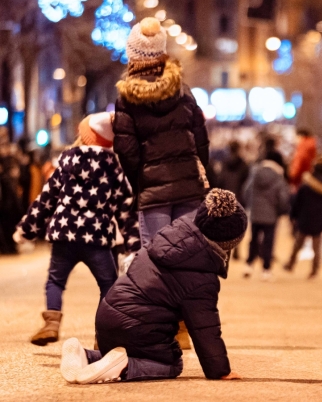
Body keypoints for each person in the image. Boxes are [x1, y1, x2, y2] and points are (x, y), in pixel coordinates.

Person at [58, 189, 247, 384]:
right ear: (229, 243)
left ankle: (85, 355)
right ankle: (125, 368)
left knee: (129, 351)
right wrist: (219, 370)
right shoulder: (201, 276)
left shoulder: (171, 236)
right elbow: (204, 328)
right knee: (172, 363)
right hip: (137, 329)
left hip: (107, 318)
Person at [14, 113, 141, 346]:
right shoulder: (114, 167)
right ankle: (104, 335)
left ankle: (51, 322)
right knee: (108, 286)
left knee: (55, 280)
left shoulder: (66, 162)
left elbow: (47, 198)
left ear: (84, 137)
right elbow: (126, 209)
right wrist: (133, 248)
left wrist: (27, 229)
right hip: (97, 239)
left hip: (64, 235)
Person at [112, 17, 210, 249]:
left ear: (132, 54)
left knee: (157, 259)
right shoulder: (183, 91)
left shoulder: (127, 99)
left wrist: (140, 182)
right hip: (188, 188)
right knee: (187, 256)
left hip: (152, 192)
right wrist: (199, 176)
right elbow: (201, 141)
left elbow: (127, 151)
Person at [284, 156, 322, 279]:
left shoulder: (306, 186)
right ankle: (314, 270)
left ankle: (290, 264)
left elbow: (298, 202)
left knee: (298, 243)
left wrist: (293, 216)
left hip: (305, 217)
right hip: (320, 219)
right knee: (317, 247)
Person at [243, 149, 290, 280]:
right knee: (268, 242)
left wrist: (251, 205)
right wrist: (282, 210)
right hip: (271, 214)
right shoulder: (278, 175)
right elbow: (283, 197)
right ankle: (266, 269)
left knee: (253, 239)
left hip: (256, 212)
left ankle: (249, 264)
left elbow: (246, 190)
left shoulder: (255, 172)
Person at [217, 141, 250, 260]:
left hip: (226, 198)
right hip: (239, 198)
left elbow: (220, 180)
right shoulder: (244, 165)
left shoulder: (224, 163)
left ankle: (226, 250)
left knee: (226, 226)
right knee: (238, 225)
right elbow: (246, 182)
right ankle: (237, 250)